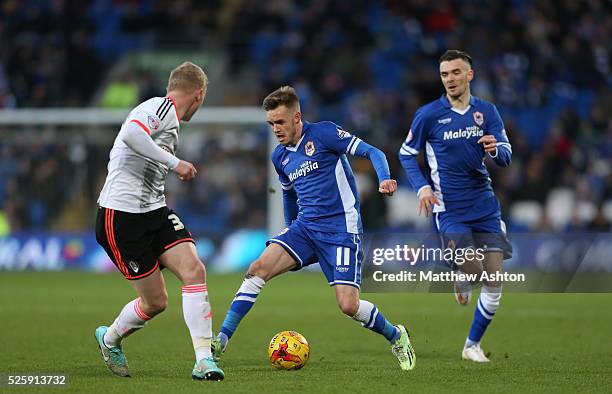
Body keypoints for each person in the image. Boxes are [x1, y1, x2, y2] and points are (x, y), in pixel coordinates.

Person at [212, 86, 416, 371]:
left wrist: (385, 178)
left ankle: (396, 335)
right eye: (271, 124)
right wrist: (288, 228)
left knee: (348, 306)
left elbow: (373, 152)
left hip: (341, 231)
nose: (276, 129)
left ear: (297, 117)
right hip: (305, 229)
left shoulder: (324, 133)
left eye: (280, 122)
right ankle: (220, 340)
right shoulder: (280, 157)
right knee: (258, 268)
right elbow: (288, 193)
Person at [94, 62, 224, 381]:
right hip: (120, 217)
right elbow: (130, 134)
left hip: (154, 210)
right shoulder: (159, 106)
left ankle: (204, 360)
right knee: (155, 302)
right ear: (199, 94)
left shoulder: (169, 120)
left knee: (194, 269)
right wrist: (175, 162)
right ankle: (109, 339)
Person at [398, 50, 513, 363]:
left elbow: (505, 154)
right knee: (472, 267)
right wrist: (422, 187)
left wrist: (496, 149)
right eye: (445, 74)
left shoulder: (487, 111)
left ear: (469, 75)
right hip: (450, 209)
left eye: (455, 73)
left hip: (485, 205)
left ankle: (471, 345)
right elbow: (406, 153)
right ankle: (462, 274)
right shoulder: (429, 115)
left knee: (494, 282)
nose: (450, 79)